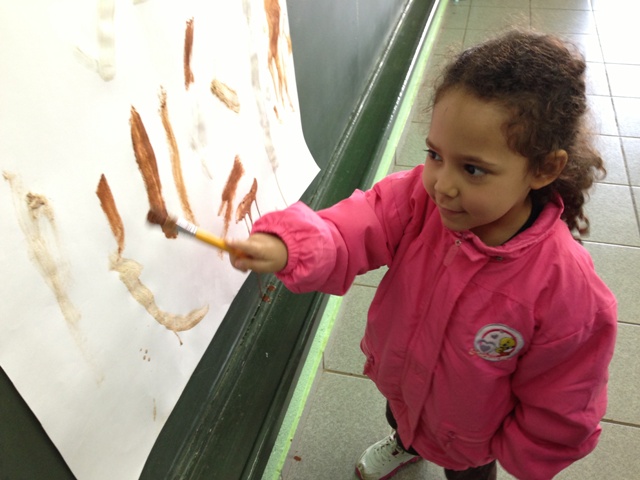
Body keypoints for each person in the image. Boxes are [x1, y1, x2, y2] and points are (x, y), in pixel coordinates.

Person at [227, 30, 617, 480]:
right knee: (400, 417)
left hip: (472, 434)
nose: (442, 185)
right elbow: (357, 225)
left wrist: (522, 452)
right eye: (435, 154)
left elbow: (564, 394)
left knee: (467, 471)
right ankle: (405, 442)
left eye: (473, 169)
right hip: (404, 384)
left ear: (544, 169)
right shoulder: (418, 198)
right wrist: (291, 245)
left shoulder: (568, 289)